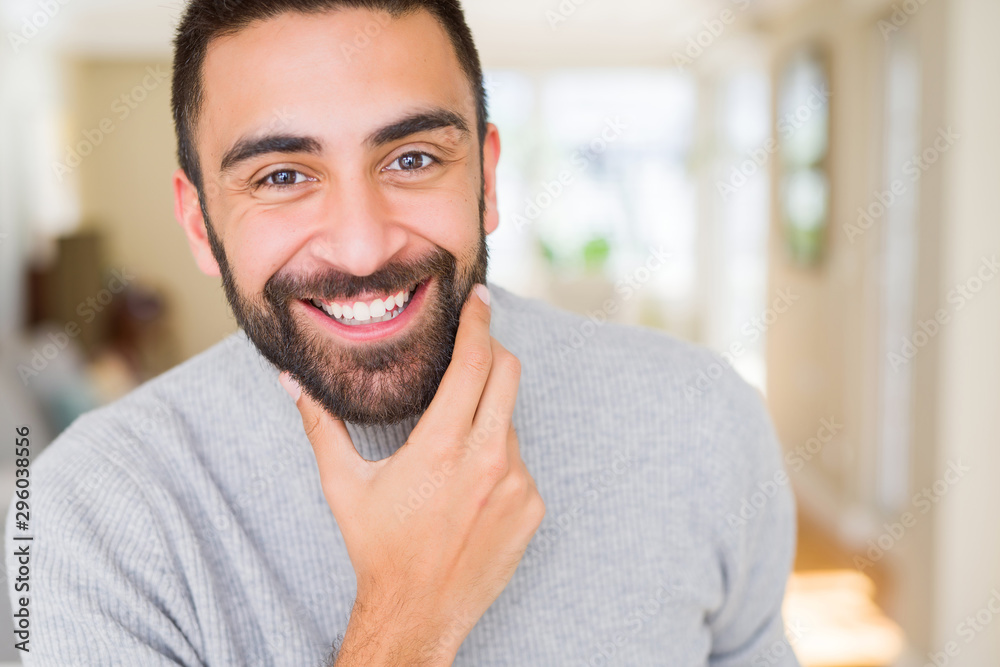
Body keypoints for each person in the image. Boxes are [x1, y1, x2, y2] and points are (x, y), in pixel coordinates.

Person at [5, 1, 800, 665]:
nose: (362, 246)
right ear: (199, 223)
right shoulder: (83, 520)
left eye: (413, 158)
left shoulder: (701, 419)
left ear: (486, 179)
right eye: (282, 177)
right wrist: (407, 615)